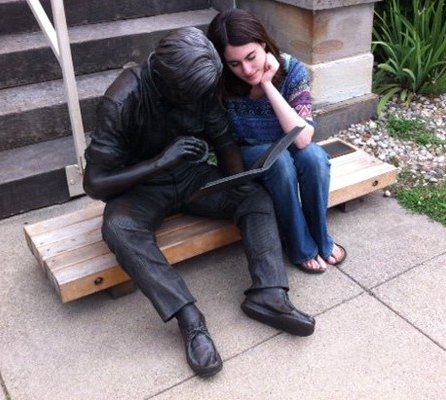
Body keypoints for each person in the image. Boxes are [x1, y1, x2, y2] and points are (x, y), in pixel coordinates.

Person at [83, 27, 315, 378]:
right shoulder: (122, 100)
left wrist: (237, 180)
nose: (198, 103)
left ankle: (269, 293)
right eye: (188, 98)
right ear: (163, 83)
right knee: (118, 227)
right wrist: (160, 162)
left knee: (253, 196)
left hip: (192, 177)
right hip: (141, 187)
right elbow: (95, 183)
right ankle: (189, 319)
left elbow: (223, 141)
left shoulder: (201, 82)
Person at [207, 9, 347, 274]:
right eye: (234, 64)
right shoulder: (220, 83)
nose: (246, 70)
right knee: (280, 161)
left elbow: (304, 138)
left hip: (290, 146)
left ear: (263, 43)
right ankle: (300, 246)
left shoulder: (293, 70)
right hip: (246, 155)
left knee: (315, 158)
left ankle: (321, 237)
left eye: (251, 57)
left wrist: (269, 85)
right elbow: (224, 145)